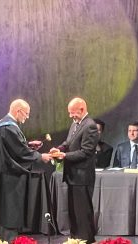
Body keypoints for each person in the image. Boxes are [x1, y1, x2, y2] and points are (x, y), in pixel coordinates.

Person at [0, 99, 52, 242]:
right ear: (18, 110)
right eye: (26, 114)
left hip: (6, 175)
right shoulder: (8, 127)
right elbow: (19, 152)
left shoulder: (6, 125)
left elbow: (14, 148)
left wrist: (28, 145)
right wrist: (40, 156)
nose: (27, 117)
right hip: (10, 178)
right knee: (10, 214)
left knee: (9, 213)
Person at [50, 97, 98, 243]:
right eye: (69, 113)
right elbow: (68, 142)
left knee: (82, 212)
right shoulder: (76, 124)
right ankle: (75, 238)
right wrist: (58, 149)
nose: (71, 116)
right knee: (74, 211)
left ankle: (86, 239)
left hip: (82, 177)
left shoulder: (90, 126)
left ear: (82, 109)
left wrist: (64, 155)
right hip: (73, 176)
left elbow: (86, 152)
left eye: (73, 113)